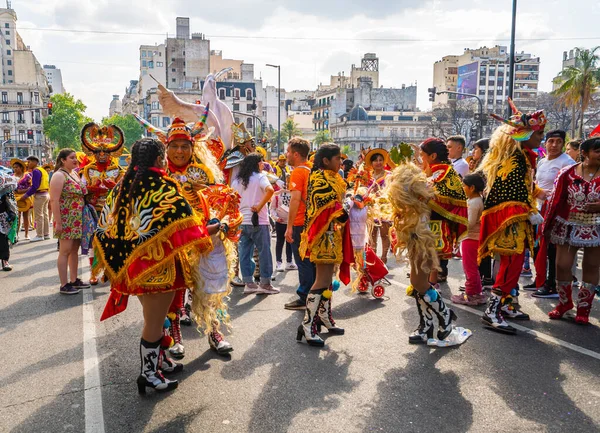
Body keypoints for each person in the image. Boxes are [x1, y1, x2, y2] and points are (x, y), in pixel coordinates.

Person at [93, 138, 212, 394]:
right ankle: (148, 374)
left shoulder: (121, 187)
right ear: (160, 159)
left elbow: (104, 228)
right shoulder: (161, 187)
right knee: (154, 323)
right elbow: (189, 223)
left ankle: (160, 361)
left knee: (153, 319)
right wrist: (210, 230)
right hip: (159, 269)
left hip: (132, 269)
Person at [135, 113, 240, 357]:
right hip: (174, 243)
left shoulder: (205, 174)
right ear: (166, 149)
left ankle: (215, 332)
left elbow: (221, 203)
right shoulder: (158, 177)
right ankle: (173, 336)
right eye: (174, 146)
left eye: (184, 146)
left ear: (192, 148)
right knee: (174, 293)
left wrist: (222, 209)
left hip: (204, 238)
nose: (180, 151)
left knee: (211, 288)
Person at [479, 98, 546, 334]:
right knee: (510, 265)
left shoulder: (522, 158)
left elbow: (521, 187)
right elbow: (510, 192)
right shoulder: (516, 159)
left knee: (513, 265)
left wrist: (538, 193)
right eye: (538, 134)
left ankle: (505, 304)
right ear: (525, 134)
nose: (541, 138)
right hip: (511, 219)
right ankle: (492, 311)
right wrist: (531, 210)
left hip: (514, 219)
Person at [387, 162, 467, 345]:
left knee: (419, 282)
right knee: (417, 283)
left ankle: (445, 317)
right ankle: (427, 326)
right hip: (416, 240)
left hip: (427, 241)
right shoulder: (417, 196)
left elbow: (448, 208)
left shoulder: (431, 191)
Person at [543, 136, 600, 324]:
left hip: (596, 226)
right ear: (584, 153)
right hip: (567, 225)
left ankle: (584, 309)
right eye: (597, 151)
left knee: (591, 266)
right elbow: (556, 199)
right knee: (562, 265)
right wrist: (548, 226)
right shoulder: (567, 173)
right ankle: (565, 303)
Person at [297, 144, 347, 346]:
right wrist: (346, 211)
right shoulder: (318, 178)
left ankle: (325, 318)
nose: (341, 163)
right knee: (321, 280)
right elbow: (324, 204)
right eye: (337, 159)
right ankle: (308, 325)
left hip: (332, 235)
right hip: (321, 236)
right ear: (326, 161)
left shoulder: (335, 178)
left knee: (327, 281)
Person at [524, 130, 575, 298]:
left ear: (563, 144)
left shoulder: (568, 162)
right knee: (537, 247)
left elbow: (569, 189)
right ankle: (540, 280)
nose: (554, 145)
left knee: (552, 249)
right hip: (538, 210)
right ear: (545, 143)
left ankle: (552, 284)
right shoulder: (542, 161)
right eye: (550, 141)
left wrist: (548, 195)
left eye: (558, 142)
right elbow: (537, 183)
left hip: (556, 212)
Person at [80, 122, 125, 285]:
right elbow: (82, 189)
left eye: (105, 151)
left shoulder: (118, 170)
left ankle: (108, 271)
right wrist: (92, 189)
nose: (102, 154)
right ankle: (93, 272)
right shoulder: (87, 170)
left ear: (111, 153)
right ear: (93, 153)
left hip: (113, 210)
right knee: (93, 240)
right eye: (98, 151)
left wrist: (114, 187)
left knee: (112, 240)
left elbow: (124, 189)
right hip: (94, 210)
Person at [419, 138, 468, 285]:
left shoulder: (445, 171)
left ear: (432, 156)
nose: (421, 158)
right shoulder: (434, 170)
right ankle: (425, 285)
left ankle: (432, 288)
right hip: (427, 220)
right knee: (425, 257)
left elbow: (447, 196)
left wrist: (422, 195)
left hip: (437, 222)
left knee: (433, 256)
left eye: (422, 155)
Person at [232, 152, 278, 295]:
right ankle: (265, 284)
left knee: (245, 252)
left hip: (241, 221)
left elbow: (232, 199)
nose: (263, 164)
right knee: (264, 252)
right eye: (261, 162)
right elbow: (270, 190)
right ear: (257, 164)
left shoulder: (237, 181)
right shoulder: (260, 177)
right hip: (259, 221)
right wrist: (259, 206)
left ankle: (249, 283)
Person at [49, 149, 89, 295]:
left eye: (75, 158)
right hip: (66, 219)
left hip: (77, 220)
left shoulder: (73, 174)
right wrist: (58, 222)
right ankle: (64, 284)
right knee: (64, 251)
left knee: (74, 251)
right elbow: (54, 200)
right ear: (63, 160)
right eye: (71, 158)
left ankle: (74, 280)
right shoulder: (59, 175)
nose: (75, 160)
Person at [284, 137, 315, 310]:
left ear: (296, 154)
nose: (286, 155)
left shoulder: (297, 172)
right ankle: (315, 296)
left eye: (288, 151)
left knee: (302, 261)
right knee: (312, 261)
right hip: (313, 222)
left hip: (300, 223)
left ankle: (305, 297)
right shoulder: (312, 169)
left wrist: (289, 227)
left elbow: (295, 200)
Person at [451, 173, 487, 305]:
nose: (462, 188)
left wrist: (456, 221)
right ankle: (477, 293)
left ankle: (471, 294)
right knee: (473, 268)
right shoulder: (477, 200)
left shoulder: (473, 202)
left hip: (470, 238)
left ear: (471, 188)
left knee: (469, 268)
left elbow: (470, 222)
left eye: (463, 186)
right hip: (473, 238)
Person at [364, 148, 393, 264]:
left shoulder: (389, 175)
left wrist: (381, 192)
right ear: (371, 163)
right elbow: (362, 191)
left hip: (385, 208)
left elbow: (393, 191)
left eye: (381, 160)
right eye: (375, 160)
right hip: (371, 208)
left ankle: (384, 257)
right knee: (372, 234)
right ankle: (374, 258)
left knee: (385, 234)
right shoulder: (366, 176)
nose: (378, 162)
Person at [22, 155, 50, 242]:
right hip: (46, 194)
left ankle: (39, 235)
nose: (28, 164)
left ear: (35, 162)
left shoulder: (36, 171)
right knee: (45, 215)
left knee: (39, 215)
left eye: (29, 162)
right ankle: (46, 234)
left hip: (40, 195)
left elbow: (35, 186)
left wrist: (26, 195)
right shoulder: (43, 170)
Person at [271, 177, 296, 272]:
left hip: (291, 222)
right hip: (280, 223)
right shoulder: (278, 195)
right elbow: (272, 208)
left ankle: (289, 262)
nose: (289, 184)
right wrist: (276, 218)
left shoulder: (295, 193)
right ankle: (278, 262)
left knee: (290, 242)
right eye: (288, 181)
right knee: (280, 242)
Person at [12, 159, 33, 241]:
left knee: (26, 216)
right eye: (14, 167)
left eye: (17, 167)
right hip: (15, 198)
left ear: (21, 167)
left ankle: (26, 234)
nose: (15, 169)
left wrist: (23, 191)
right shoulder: (12, 177)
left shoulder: (27, 176)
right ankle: (16, 234)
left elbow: (31, 187)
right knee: (17, 217)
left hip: (25, 198)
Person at [0, 171, 17, 271]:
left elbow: (12, 204)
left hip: (2, 218)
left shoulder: (6, 189)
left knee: (3, 240)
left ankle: (5, 260)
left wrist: (11, 213)